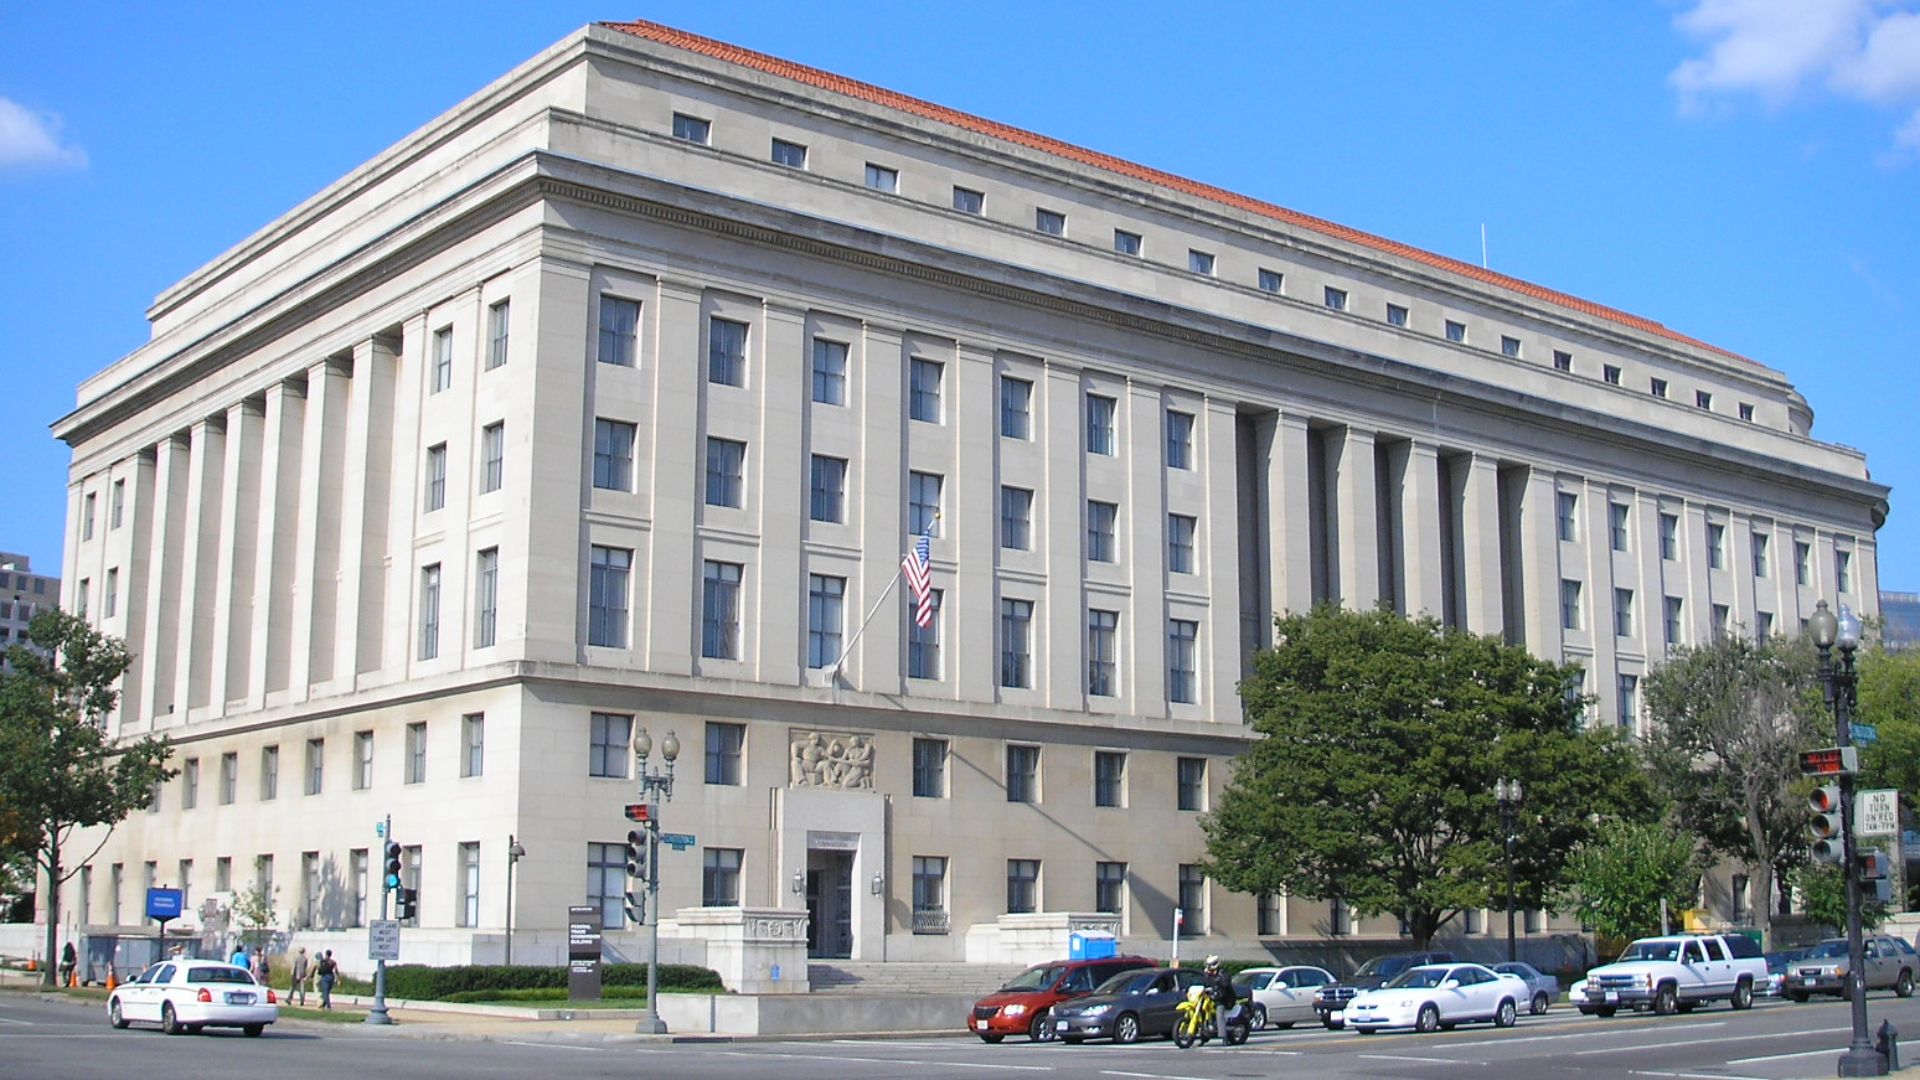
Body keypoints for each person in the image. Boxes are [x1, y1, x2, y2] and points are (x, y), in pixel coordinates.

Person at [1202, 955, 1238, 1042]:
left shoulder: (1222, 973)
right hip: (1213, 997)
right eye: (1208, 965)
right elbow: (1205, 983)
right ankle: (1203, 1036)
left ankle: (1223, 1037)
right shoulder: (1208, 974)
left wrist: (1217, 981)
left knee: (1219, 1013)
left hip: (1225, 999)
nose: (1209, 967)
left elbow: (1225, 984)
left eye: (1211, 965)